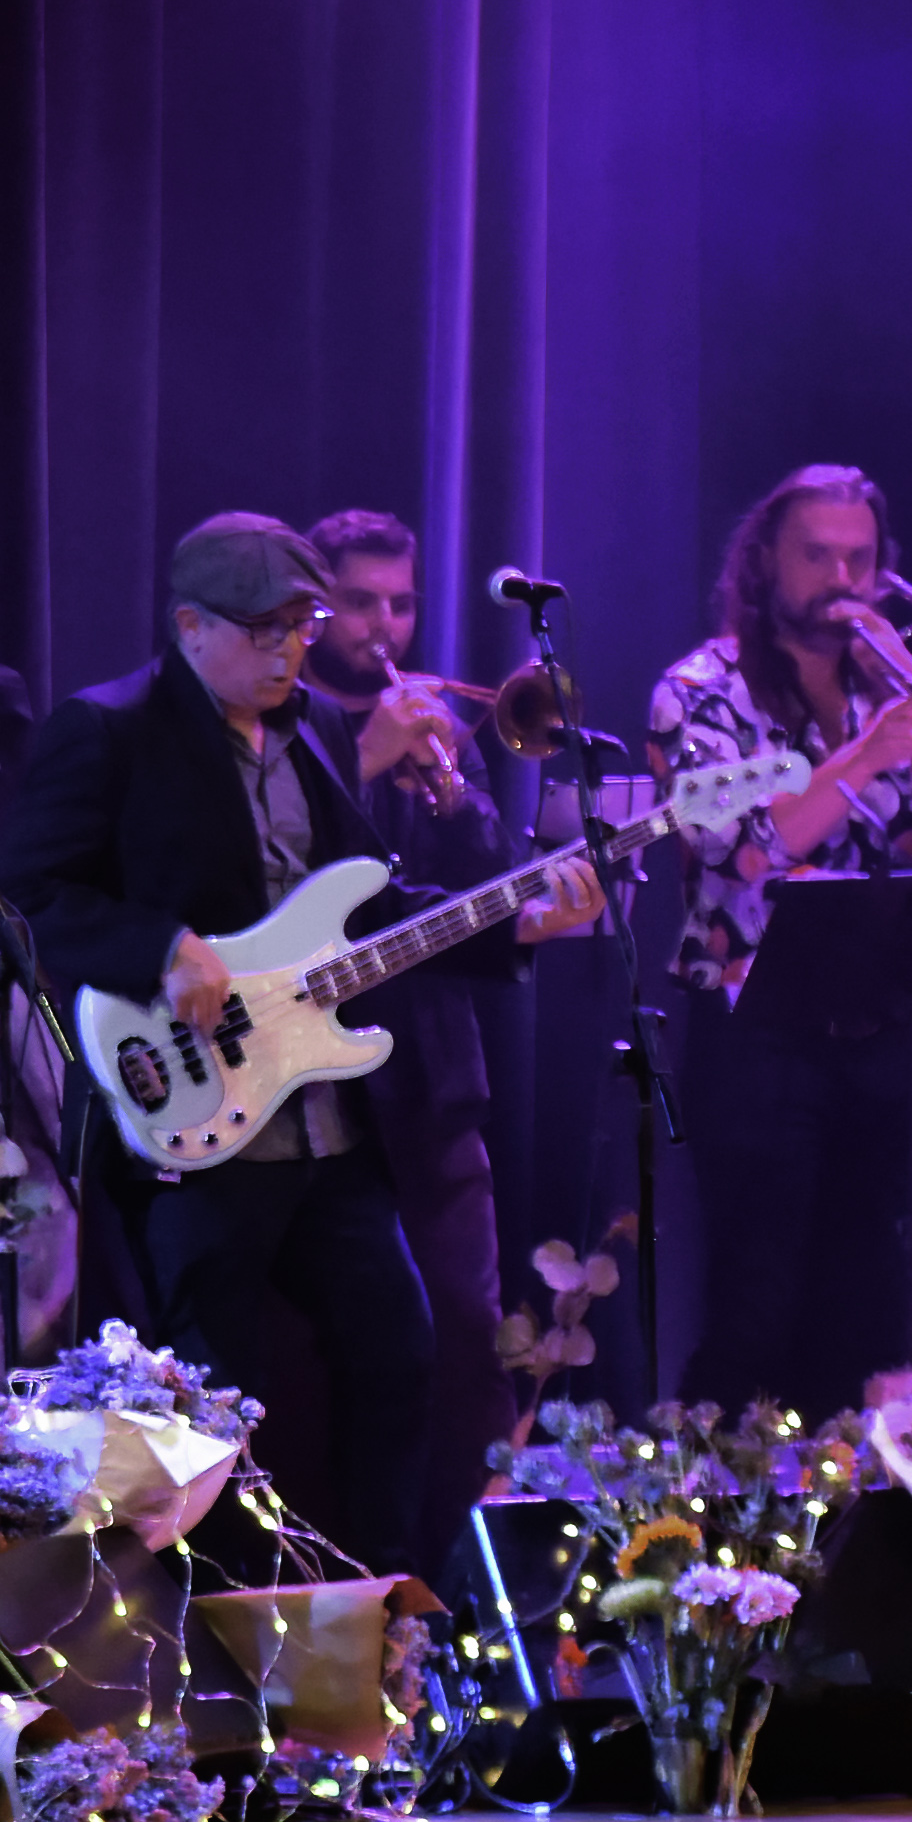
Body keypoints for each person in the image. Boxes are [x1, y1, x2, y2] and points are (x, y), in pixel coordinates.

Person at [6, 513, 596, 1587]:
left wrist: (516, 920)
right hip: (189, 1118)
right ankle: (226, 1639)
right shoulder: (109, 730)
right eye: (266, 629)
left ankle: (379, 1614)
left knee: (401, 1358)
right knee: (207, 1411)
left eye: (301, 625)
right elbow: (30, 898)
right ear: (189, 625)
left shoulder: (311, 730)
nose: (291, 649)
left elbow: (367, 911)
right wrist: (163, 946)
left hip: (325, 1126)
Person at [643, 464, 912, 1401]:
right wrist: (867, 752)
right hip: (752, 1029)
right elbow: (736, 847)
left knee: (868, 1308)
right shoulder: (701, 687)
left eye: (859, 557)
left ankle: (840, 1527)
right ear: (766, 561)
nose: (841, 578)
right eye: (817, 555)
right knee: (757, 1307)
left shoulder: (898, 689)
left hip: (880, 1025)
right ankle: (710, 1522)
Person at [302, 509, 549, 1509]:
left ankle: (454, 1577)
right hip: (316, 1088)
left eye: (401, 604)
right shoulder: (282, 723)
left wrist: (455, 797)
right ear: (314, 607)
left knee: (467, 1343)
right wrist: (364, 756)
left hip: (434, 1079)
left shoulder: (437, 723)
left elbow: (490, 892)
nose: (386, 626)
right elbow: (276, 876)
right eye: (360, 602)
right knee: (343, 1360)